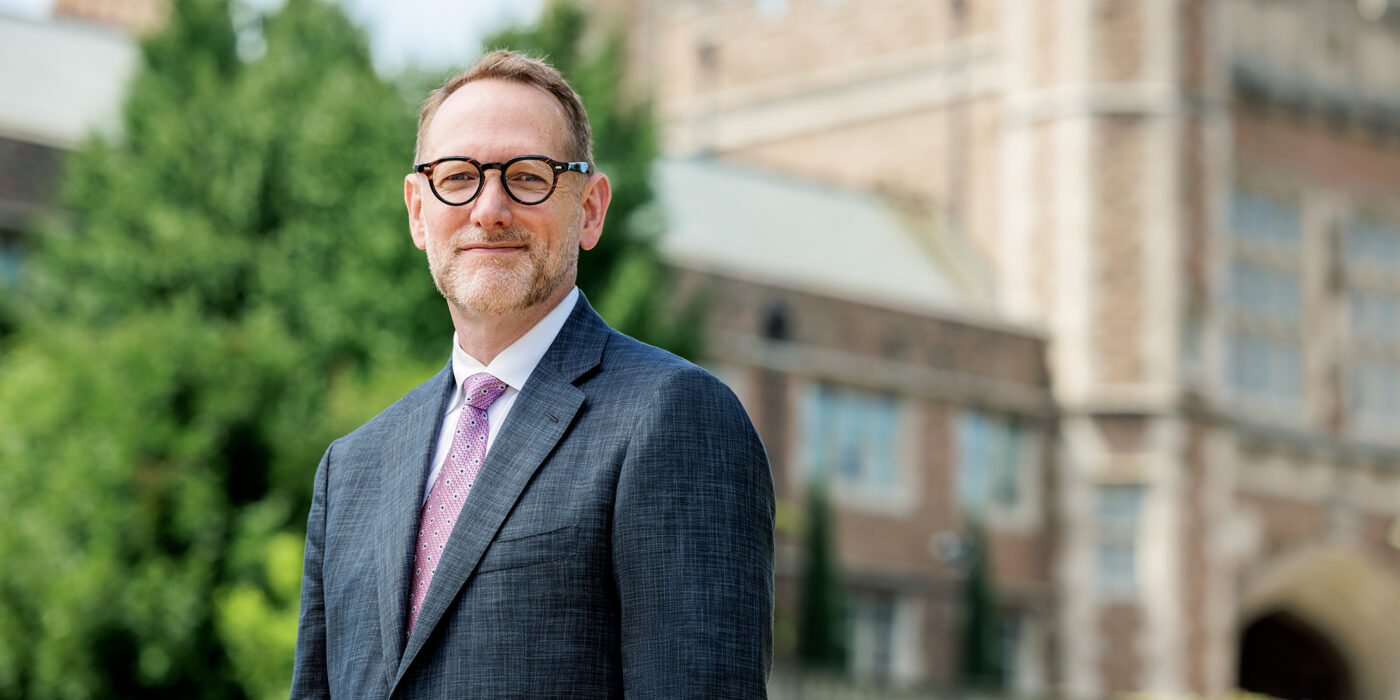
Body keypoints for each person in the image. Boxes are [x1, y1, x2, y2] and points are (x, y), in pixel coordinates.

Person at [289, 49, 775, 698]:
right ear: (416, 210)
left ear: (591, 209)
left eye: (528, 176)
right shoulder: (351, 470)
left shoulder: (676, 419)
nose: (489, 208)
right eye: (458, 177)